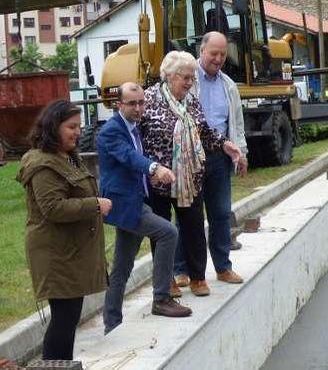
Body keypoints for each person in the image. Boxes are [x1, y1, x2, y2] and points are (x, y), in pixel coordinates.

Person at [140, 51, 242, 298]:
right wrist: (147, 168)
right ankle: (169, 280)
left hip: (189, 176)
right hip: (159, 179)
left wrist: (224, 143)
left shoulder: (192, 101)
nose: (189, 83)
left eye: (191, 78)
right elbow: (138, 138)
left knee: (194, 227)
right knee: (162, 231)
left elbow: (205, 130)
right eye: (185, 78)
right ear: (169, 76)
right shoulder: (150, 99)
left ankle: (197, 278)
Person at [17, 100, 109, 361]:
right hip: (55, 254)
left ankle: (61, 365)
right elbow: (53, 208)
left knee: (68, 319)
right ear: (52, 127)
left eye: (79, 126)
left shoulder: (67, 156)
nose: (78, 132)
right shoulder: (43, 164)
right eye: (71, 127)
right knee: (64, 319)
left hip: (70, 252)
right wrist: (95, 205)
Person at [100, 82, 192, 335]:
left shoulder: (133, 127)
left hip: (134, 199)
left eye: (142, 103)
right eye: (132, 103)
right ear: (119, 105)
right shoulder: (112, 131)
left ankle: (112, 323)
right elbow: (129, 157)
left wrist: (146, 179)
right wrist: (154, 169)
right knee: (168, 232)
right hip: (123, 204)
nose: (139, 108)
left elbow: (130, 161)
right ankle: (161, 298)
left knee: (122, 267)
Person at [172, 31, 247, 291]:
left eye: (223, 55)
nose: (218, 59)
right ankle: (182, 269)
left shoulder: (229, 85)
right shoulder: (188, 80)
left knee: (220, 213)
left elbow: (236, 122)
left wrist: (241, 153)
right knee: (187, 214)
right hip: (190, 156)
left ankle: (223, 267)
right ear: (201, 50)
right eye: (213, 53)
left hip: (219, 156)